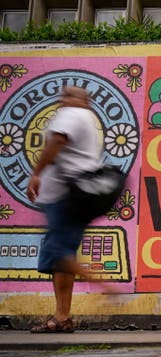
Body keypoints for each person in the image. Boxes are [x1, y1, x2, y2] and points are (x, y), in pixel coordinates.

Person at [26, 86, 103, 333]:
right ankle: (62, 316)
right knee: (59, 254)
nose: (63, 99)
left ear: (83, 100)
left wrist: (36, 173)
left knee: (59, 252)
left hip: (64, 196)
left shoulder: (72, 114)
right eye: (62, 96)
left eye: (69, 95)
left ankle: (103, 286)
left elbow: (57, 141)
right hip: (70, 195)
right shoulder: (88, 119)